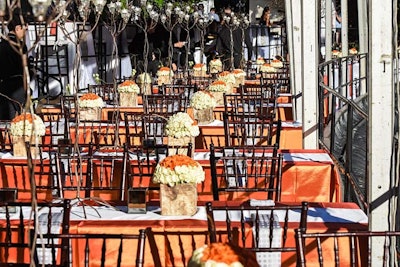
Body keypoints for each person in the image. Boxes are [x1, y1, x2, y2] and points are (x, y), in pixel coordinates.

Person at [0, 13, 31, 120]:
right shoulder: (21, 46)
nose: (25, 33)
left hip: (3, 87)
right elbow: (26, 69)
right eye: (24, 30)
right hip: (18, 87)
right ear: (18, 28)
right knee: (21, 119)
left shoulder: (2, 45)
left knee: (5, 119)